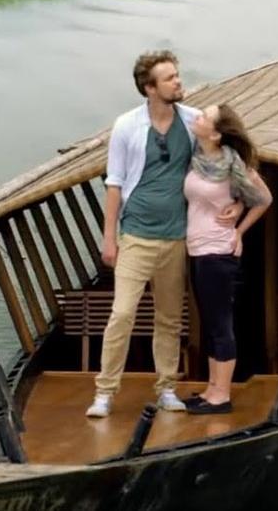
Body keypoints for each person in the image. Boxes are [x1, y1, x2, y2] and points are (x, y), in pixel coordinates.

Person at [87, 51, 240, 418]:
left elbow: (227, 154)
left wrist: (236, 202)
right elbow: (114, 183)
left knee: (169, 317)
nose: (178, 81)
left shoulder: (191, 121)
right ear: (149, 88)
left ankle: (167, 387)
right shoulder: (126, 125)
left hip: (176, 238)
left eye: (176, 75)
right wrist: (109, 239)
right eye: (169, 78)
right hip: (136, 235)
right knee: (122, 314)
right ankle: (105, 392)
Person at [180, 104, 272, 415]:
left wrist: (240, 230)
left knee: (220, 324)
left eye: (204, 117)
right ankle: (211, 389)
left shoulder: (234, 164)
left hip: (217, 252)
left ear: (217, 134)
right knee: (209, 321)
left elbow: (264, 199)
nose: (197, 118)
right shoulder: (197, 156)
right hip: (197, 250)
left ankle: (222, 395)